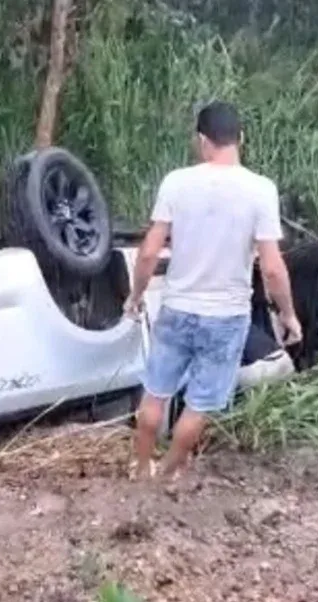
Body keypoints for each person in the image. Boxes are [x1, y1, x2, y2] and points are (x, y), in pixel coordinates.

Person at [123, 100, 302, 481]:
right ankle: (169, 471)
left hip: (178, 309)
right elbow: (271, 267)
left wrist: (135, 297)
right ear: (241, 138)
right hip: (226, 318)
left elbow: (150, 251)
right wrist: (287, 314)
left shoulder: (176, 182)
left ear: (202, 141)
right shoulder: (261, 190)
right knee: (198, 405)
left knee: (155, 393)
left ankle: (140, 468)